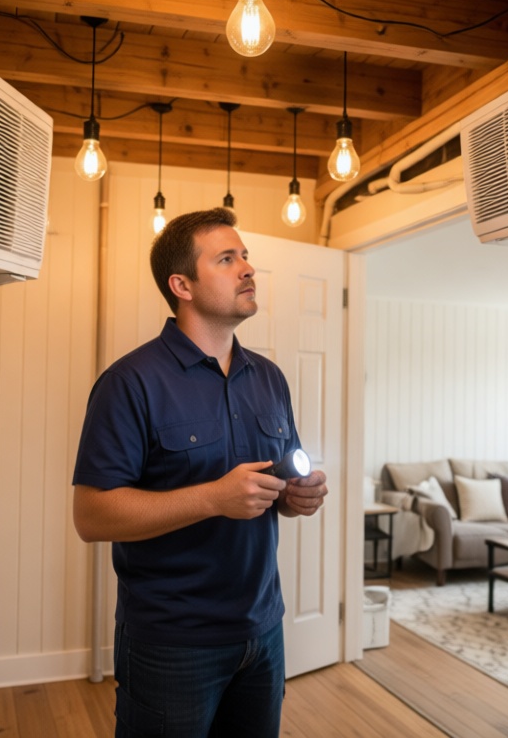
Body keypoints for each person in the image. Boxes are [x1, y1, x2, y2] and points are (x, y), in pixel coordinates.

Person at [71, 207, 329, 737]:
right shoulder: (130, 382)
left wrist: (296, 497)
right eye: (227, 259)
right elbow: (92, 516)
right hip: (171, 642)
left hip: (263, 632)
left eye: (246, 257)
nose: (248, 269)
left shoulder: (270, 379)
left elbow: (277, 481)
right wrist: (213, 498)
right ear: (181, 284)